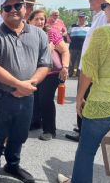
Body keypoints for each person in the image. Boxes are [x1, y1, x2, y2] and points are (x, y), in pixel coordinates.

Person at [59, 0, 110, 183]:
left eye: (106, 5)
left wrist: (80, 97)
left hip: (102, 103)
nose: (104, 9)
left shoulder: (104, 33)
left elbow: (88, 71)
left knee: (86, 152)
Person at [0, 0, 51, 183]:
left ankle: (12, 165)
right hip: (1, 95)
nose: (13, 10)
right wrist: (18, 84)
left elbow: (44, 64)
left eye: (17, 5)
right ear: (2, 12)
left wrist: (30, 84)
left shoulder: (39, 34)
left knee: (20, 134)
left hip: (27, 95)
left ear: (25, 8)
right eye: (7, 7)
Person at [64, 0, 110, 142]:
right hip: (86, 66)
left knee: (84, 98)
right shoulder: (99, 15)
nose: (90, 2)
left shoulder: (106, 16)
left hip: (91, 68)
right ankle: (82, 128)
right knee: (84, 98)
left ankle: (84, 132)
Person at [28, 10, 70, 141]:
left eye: (42, 19)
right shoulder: (25, 34)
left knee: (45, 100)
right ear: (29, 21)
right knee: (34, 99)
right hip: (34, 73)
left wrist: (65, 67)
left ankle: (50, 130)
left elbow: (65, 51)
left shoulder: (51, 33)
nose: (40, 22)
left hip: (52, 73)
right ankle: (36, 123)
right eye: (37, 19)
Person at [68, 12, 90, 77]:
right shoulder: (73, 25)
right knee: (71, 61)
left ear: (85, 17)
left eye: (82, 17)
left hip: (84, 47)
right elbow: (67, 33)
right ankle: (69, 73)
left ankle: (79, 74)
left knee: (81, 61)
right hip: (73, 46)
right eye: (79, 17)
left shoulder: (90, 26)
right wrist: (68, 38)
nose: (81, 18)